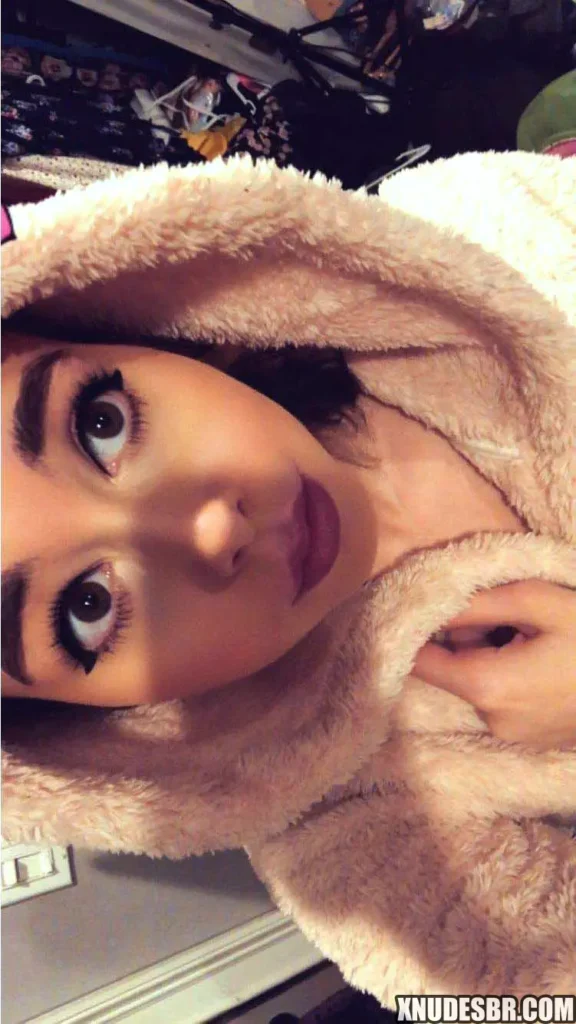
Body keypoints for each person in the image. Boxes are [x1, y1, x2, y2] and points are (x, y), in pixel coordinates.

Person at [2, 152, 575, 1001]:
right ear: (61, 734)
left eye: (101, 423)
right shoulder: (362, 844)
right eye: (86, 607)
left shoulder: (489, 228)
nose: (211, 528)